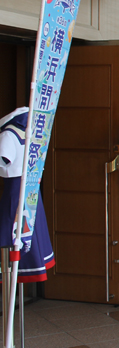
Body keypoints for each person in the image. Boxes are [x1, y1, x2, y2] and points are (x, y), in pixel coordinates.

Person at [0, 108, 55, 283]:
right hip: (31, 190)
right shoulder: (33, 134)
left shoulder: (8, 135)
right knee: (30, 230)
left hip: (15, 191)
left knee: (12, 232)